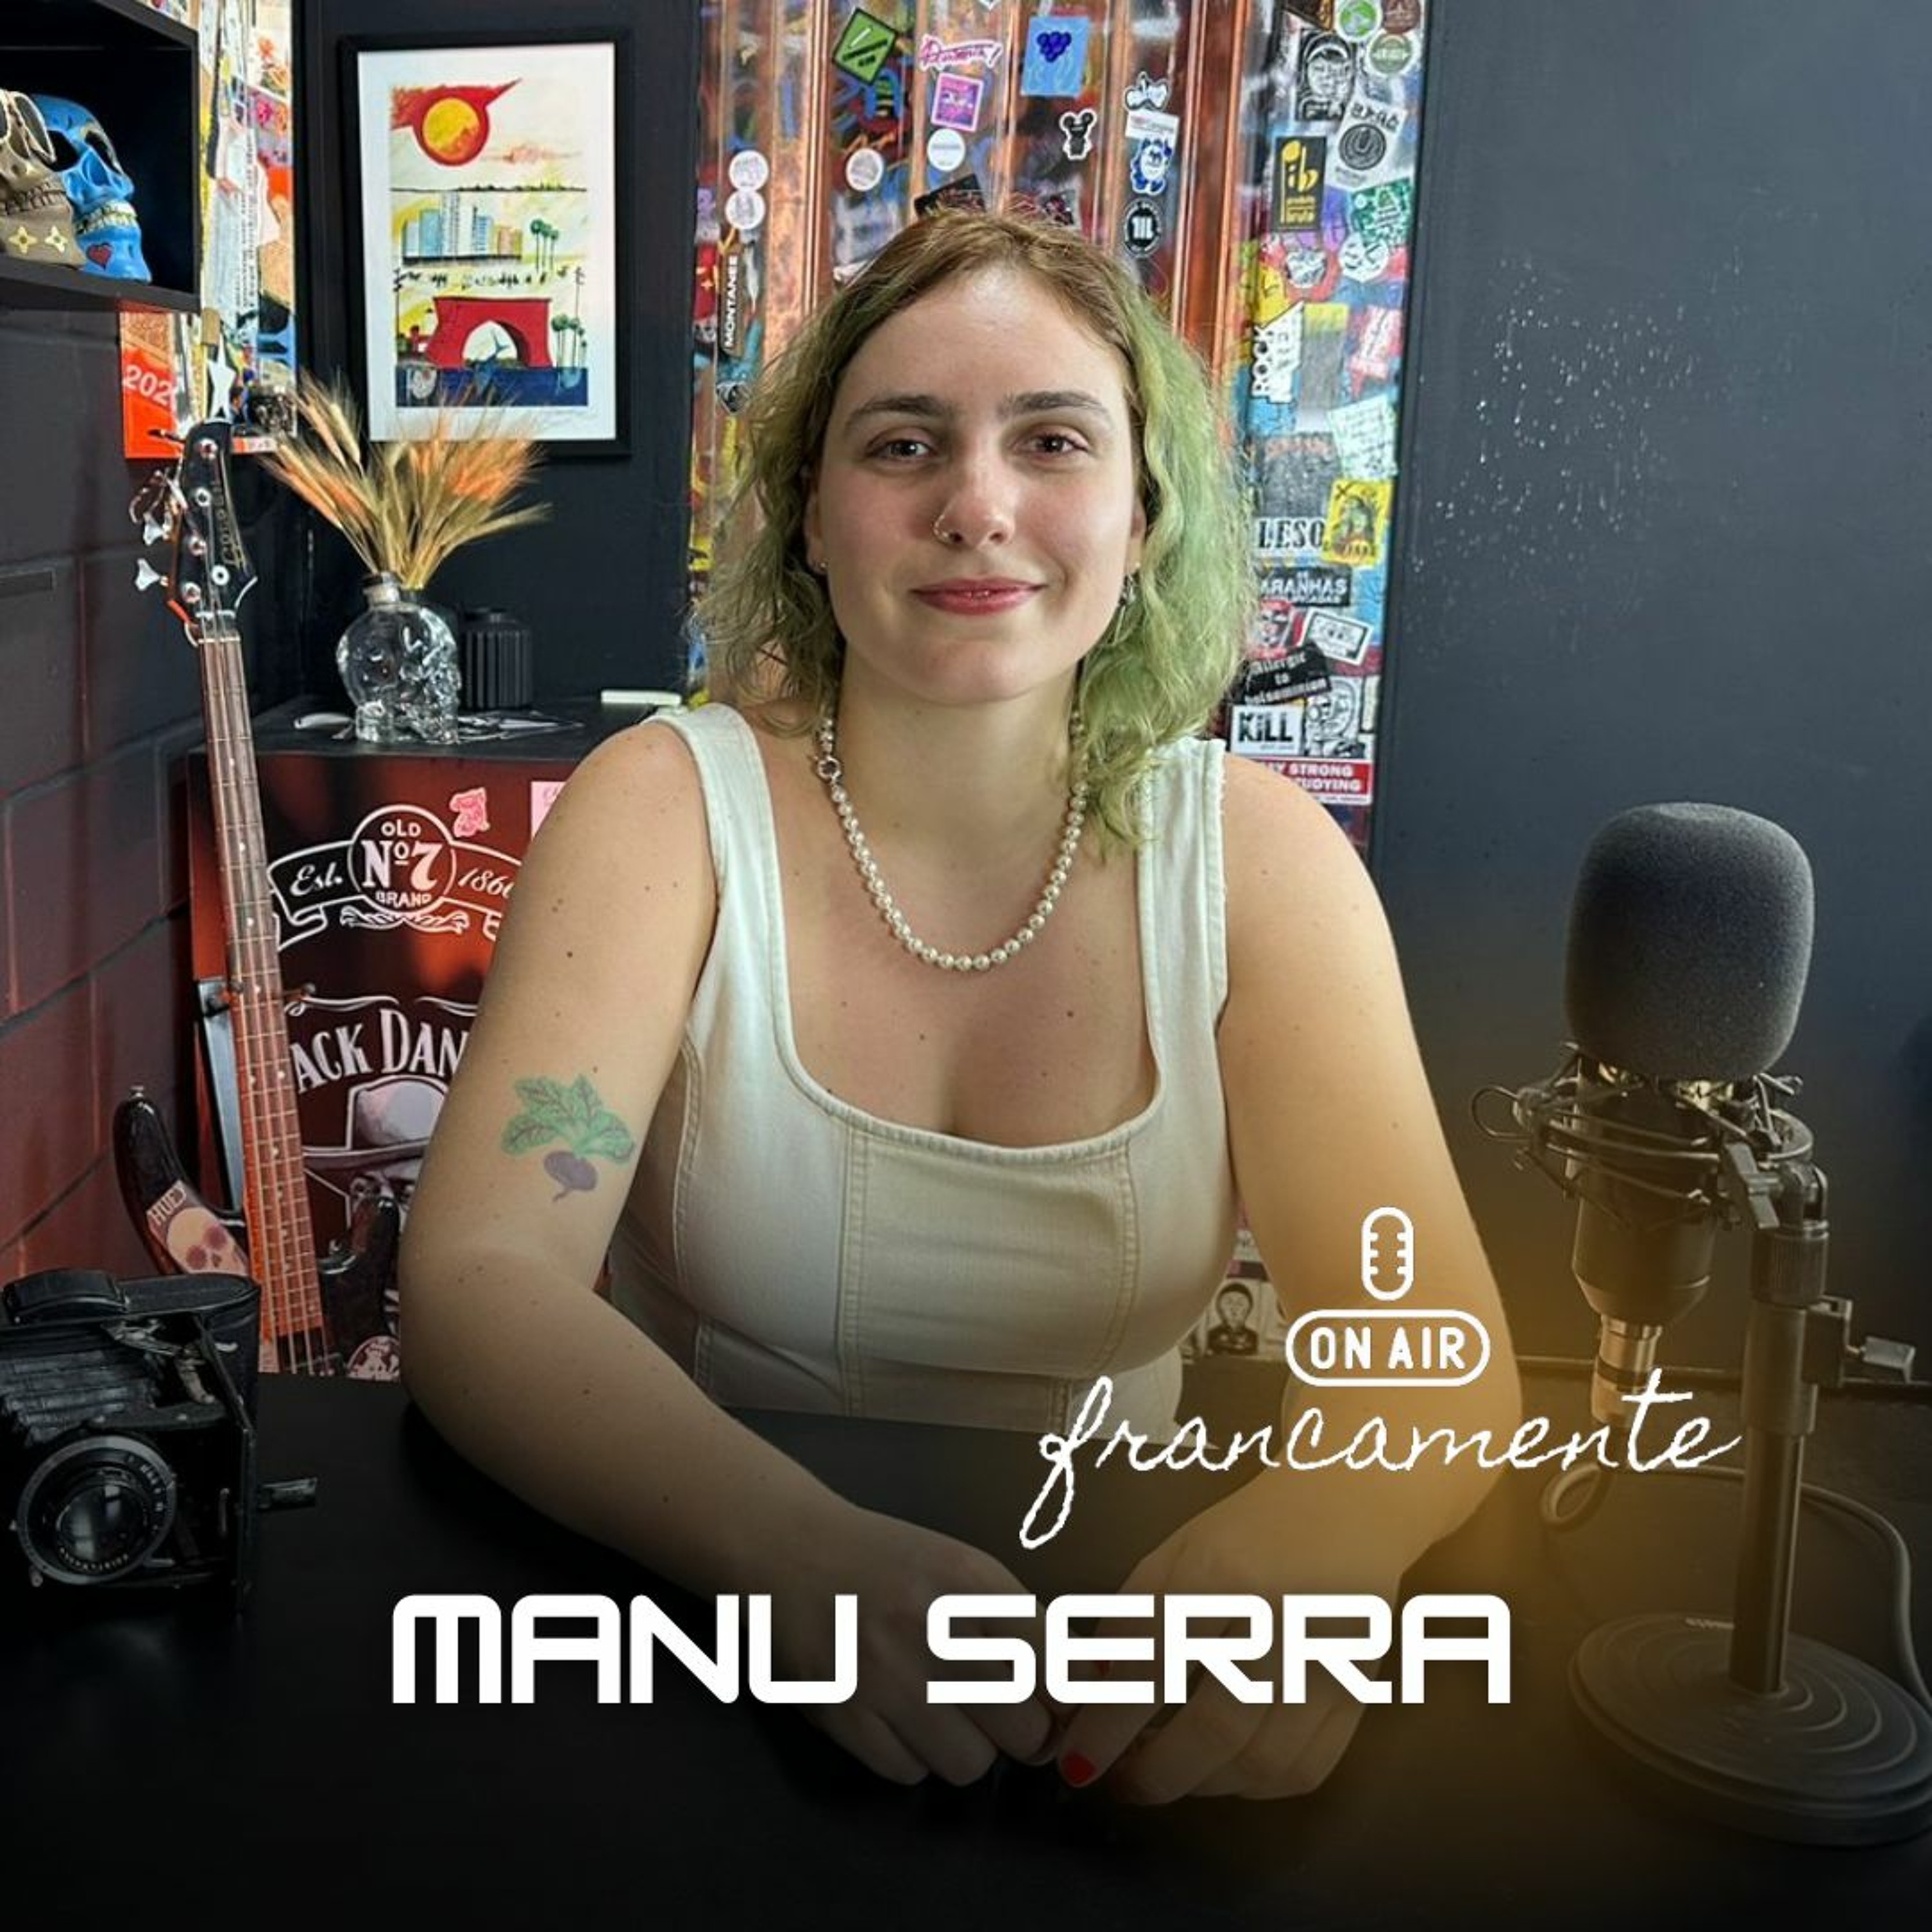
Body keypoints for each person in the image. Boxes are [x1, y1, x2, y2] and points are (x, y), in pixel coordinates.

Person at [399, 208, 1519, 1804]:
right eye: (903, 444)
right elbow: (482, 1276)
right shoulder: (659, 808)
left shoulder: (1260, 860)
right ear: (810, 516)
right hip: (692, 1630)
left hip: (1114, 1679)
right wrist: (781, 1551)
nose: (977, 507)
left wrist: (1322, 1539)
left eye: (1051, 441)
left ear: (1143, 516)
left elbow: (1433, 1354)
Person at [1204, 1280, 1262, 1356]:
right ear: (1219, 1308)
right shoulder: (1211, 1336)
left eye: (1241, 1304)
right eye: (1228, 1303)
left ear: (1249, 1309)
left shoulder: (1253, 1337)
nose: (1234, 1309)